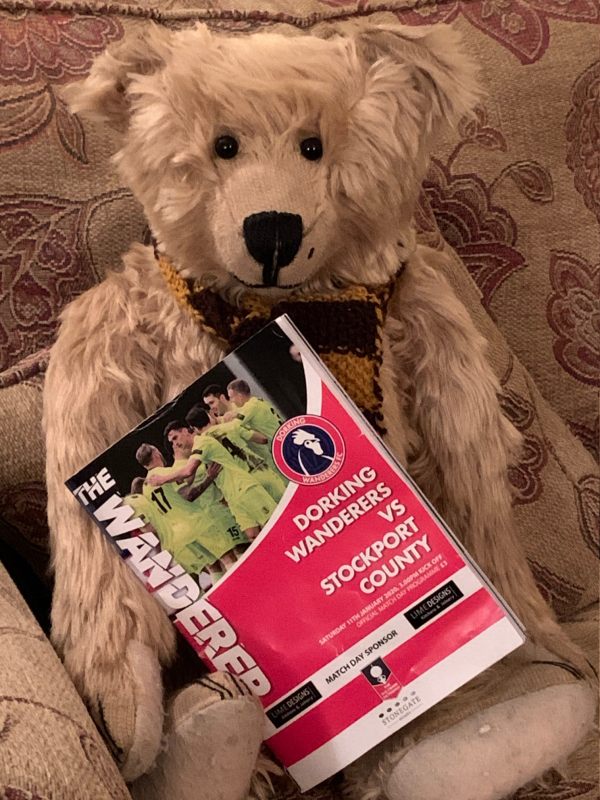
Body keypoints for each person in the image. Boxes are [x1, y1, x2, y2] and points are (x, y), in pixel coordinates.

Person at [148, 408, 276, 541]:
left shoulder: (203, 442)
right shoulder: (195, 452)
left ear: (186, 430)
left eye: (175, 438)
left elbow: (188, 471)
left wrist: (163, 479)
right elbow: (189, 479)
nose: (175, 444)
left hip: (244, 487)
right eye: (171, 442)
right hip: (232, 496)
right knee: (253, 536)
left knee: (272, 524)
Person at [135, 443, 218, 577]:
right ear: (156, 452)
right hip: (195, 523)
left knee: (213, 568)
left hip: (177, 534)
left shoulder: (146, 487)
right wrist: (209, 477)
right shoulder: (165, 473)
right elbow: (188, 490)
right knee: (227, 558)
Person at [226, 378, 285, 478]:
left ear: (239, 396)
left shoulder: (250, 407)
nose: (231, 401)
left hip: (281, 447)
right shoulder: (258, 400)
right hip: (284, 439)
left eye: (231, 397)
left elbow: (233, 426)